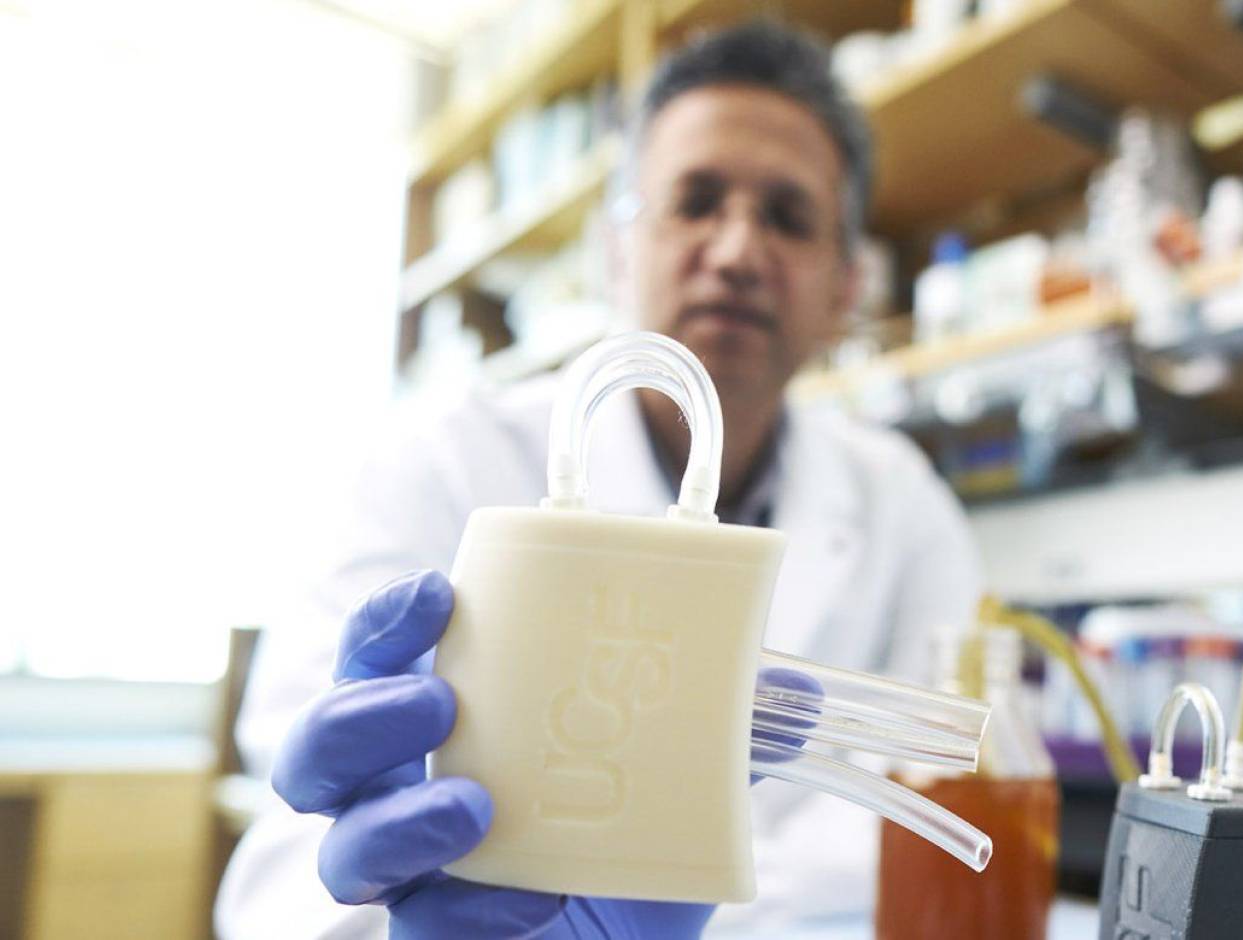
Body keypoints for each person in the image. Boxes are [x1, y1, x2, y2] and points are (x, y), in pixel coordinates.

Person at [215, 21, 983, 940]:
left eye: (787, 216)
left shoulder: (905, 505)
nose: (737, 251)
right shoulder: (445, 463)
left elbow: (937, 820)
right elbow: (288, 861)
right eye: (695, 201)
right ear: (616, 252)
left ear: (845, 288)